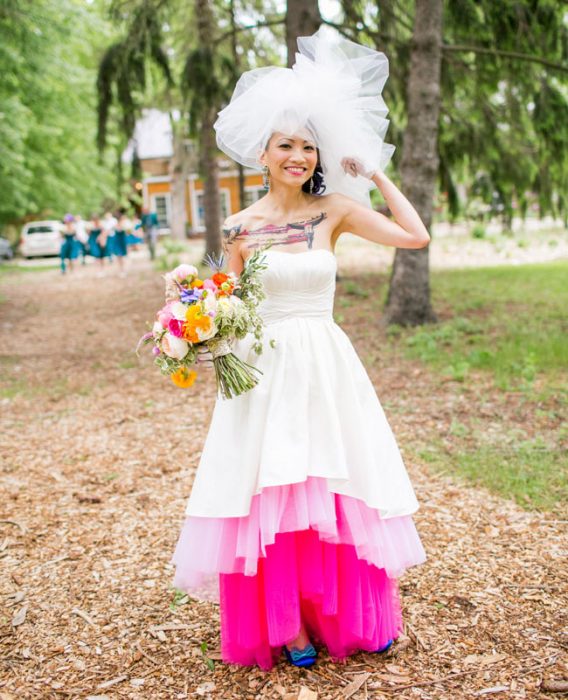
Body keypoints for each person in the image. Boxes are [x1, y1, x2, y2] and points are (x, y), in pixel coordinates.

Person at [171, 28, 429, 671]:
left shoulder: (335, 211)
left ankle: (347, 613)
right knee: (275, 490)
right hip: (266, 372)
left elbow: (414, 236)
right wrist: (185, 304)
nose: (301, 156)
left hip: (327, 364)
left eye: (309, 146)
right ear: (263, 154)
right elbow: (221, 298)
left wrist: (374, 172)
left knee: (332, 487)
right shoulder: (240, 226)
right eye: (287, 145)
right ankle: (285, 626)